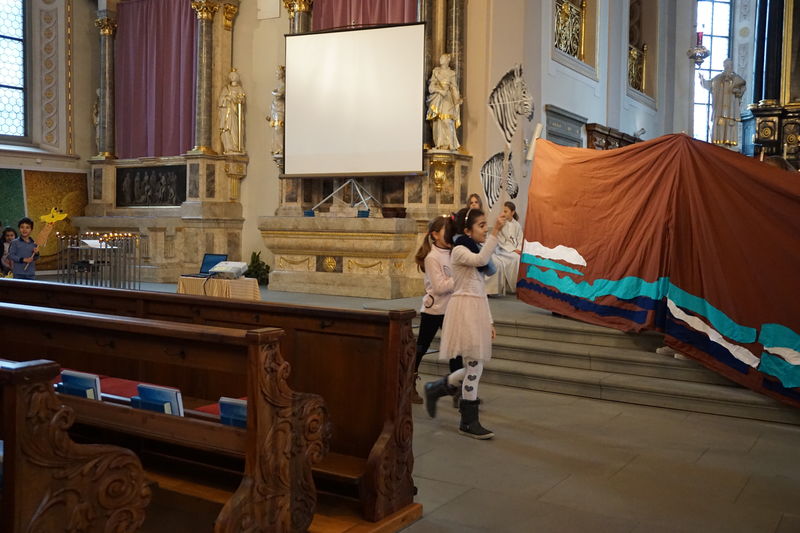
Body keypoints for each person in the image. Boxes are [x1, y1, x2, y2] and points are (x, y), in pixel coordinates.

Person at [424, 206, 506, 439]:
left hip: (476, 308)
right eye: (482, 225)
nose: (486, 229)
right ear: (467, 231)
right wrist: (496, 232)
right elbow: (482, 258)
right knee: (475, 366)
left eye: (487, 225)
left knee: (474, 365)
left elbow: (480, 290)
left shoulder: (471, 250)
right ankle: (468, 420)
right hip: (465, 310)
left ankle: (438, 388)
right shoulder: (460, 250)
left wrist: (489, 321)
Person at [411, 215, 456, 404]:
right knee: (421, 347)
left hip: (452, 309)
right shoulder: (432, 257)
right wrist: (459, 278)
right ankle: (409, 384)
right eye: (447, 232)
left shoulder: (454, 252)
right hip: (434, 309)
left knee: (456, 351)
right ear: (435, 235)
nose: (451, 235)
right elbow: (439, 287)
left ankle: (458, 390)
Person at [699, 58, 746, 149]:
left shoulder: (737, 79)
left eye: (729, 66)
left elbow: (742, 88)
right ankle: (719, 142)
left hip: (731, 108)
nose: (728, 67)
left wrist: (738, 91)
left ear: (732, 66)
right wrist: (702, 80)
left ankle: (729, 143)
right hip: (719, 107)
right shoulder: (717, 78)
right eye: (726, 66)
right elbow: (708, 84)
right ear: (723, 66)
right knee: (719, 123)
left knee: (730, 123)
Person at [485, 201, 524, 295]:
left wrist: (519, 249)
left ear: (512, 212)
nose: (504, 213)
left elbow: (520, 239)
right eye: (503, 211)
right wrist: (513, 249)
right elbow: (501, 240)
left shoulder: (517, 225)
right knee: (515, 258)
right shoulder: (502, 223)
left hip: (515, 249)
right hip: (503, 249)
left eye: (506, 211)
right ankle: (512, 287)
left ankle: (516, 286)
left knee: (519, 258)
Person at [426, 53, 462, 151]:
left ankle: (451, 144)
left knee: (447, 120)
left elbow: (454, 88)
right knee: (437, 122)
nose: (440, 59)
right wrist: (439, 91)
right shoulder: (436, 71)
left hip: (447, 99)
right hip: (437, 99)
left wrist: (457, 99)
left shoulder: (451, 73)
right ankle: (439, 144)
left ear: (447, 60)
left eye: (443, 58)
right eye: (440, 57)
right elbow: (431, 87)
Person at [219, 69, 246, 154]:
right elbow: (221, 100)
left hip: (235, 112)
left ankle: (236, 147)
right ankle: (229, 148)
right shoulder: (226, 88)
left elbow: (242, 100)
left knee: (235, 129)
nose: (233, 77)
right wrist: (227, 98)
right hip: (227, 112)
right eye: (231, 76)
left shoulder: (240, 88)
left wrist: (238, 100)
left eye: (234, 76)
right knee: (227, 128)